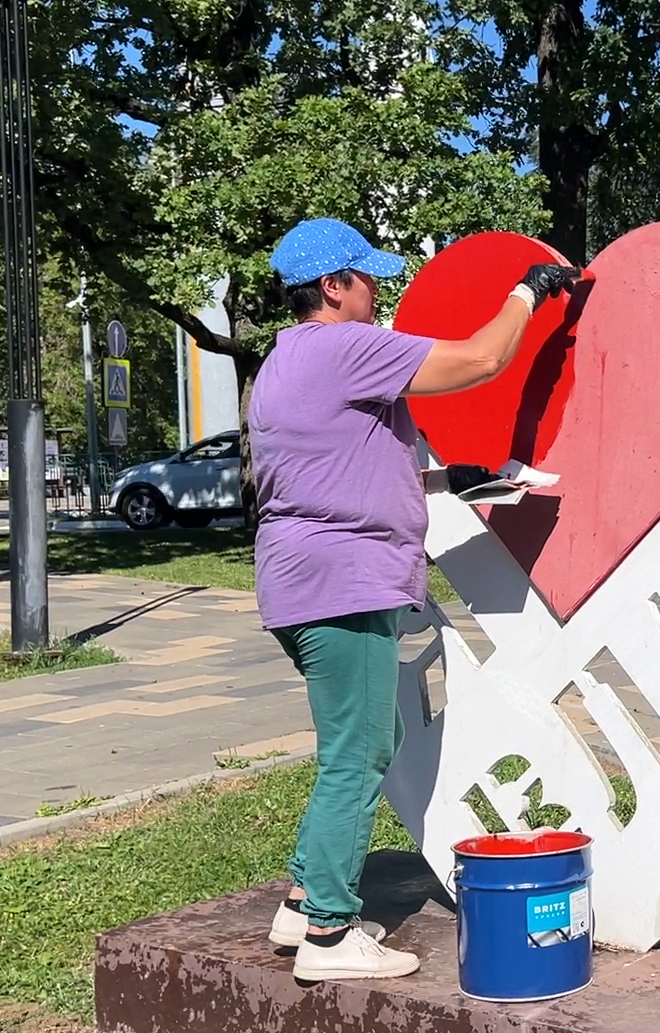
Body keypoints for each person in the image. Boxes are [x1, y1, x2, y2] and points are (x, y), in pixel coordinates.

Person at [249, 218, 580, 983]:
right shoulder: (343, 346)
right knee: (358, 755)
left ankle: (302, 900)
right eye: (368, 277)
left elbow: (338, 471)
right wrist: (528, 292)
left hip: (303, 580)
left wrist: (454, 477)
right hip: (343, 581)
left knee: (358, 742)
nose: (378, 289)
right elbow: (482, 359)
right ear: (333, 287)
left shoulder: (286, 361)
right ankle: (329, 936)